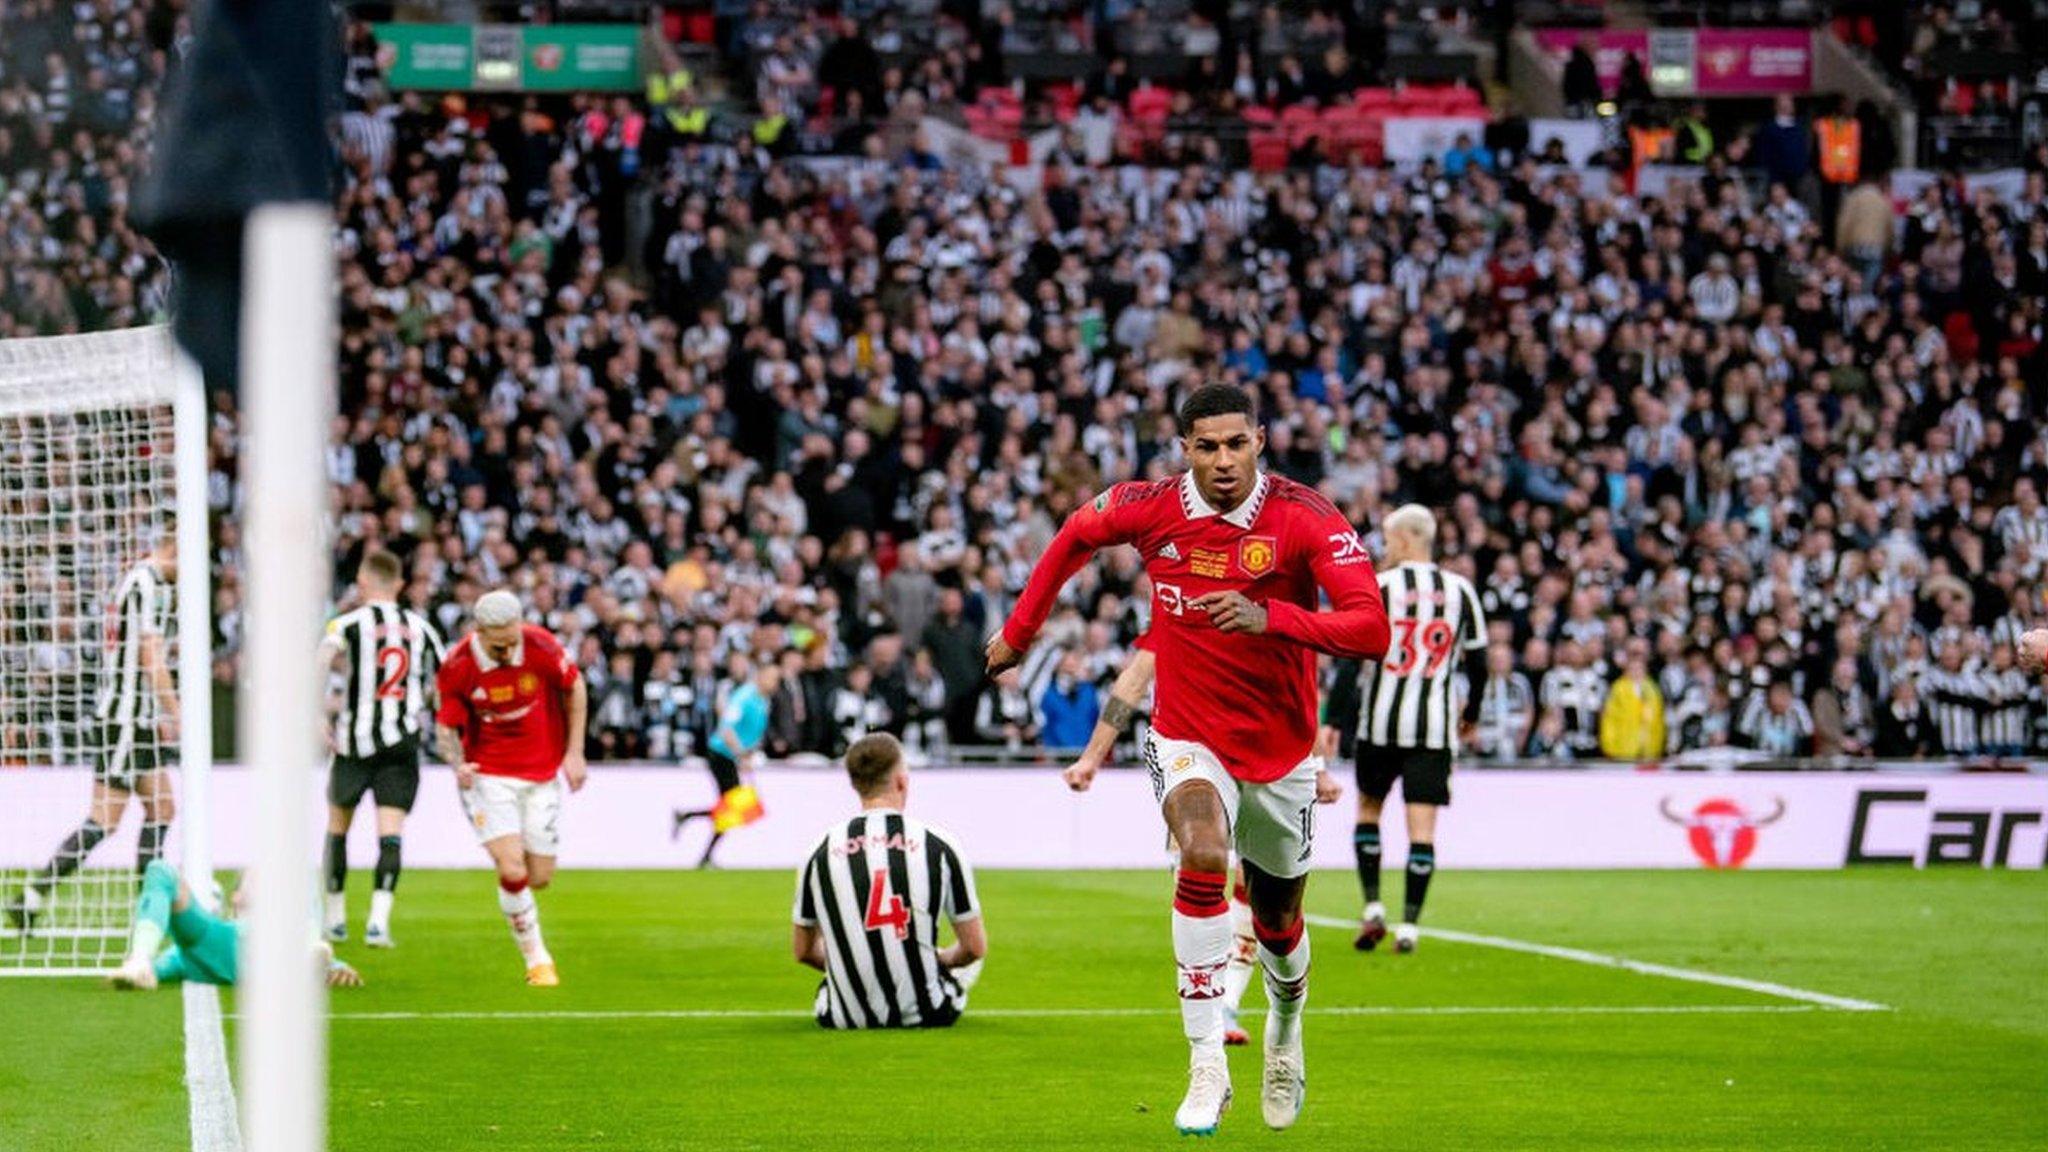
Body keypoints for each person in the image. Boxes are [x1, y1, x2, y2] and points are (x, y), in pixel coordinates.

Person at [987, 383, 1390, 1135]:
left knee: (1278, 920)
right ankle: (1206, 1061)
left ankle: (1285, 1027)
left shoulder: (1306, 519)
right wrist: (1021, 630)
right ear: (1185, 450)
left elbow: (1371, 628)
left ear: (1260, 441)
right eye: (1206, 446)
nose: (1223, 460)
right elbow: (1075, 533)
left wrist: (1274, 616)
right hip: (1187, 734)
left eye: (1236, 443)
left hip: (1281, 751)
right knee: (1202, 853)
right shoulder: (1154, 508)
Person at [1063, 642, 1344, 1047]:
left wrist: (1316, 767)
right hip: (1192, 764)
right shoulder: (1179, 606)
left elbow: (1294, 690)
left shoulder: (1256, 610)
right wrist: (1092, 756)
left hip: (1259, 763)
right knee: (1199, 868)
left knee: (1255, 887)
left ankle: (1229, 999)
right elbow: (1133, 682)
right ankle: (1209, 1011)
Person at [1326, 504, 1485, 955]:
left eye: (1390, 539)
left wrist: (1334, 720)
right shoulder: (1460, 591)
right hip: (1433, 729)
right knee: (1422, 828)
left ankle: (1373, 904)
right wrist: (1470, 712)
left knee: (1369, 810)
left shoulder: (1379, 587)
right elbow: (1480, 663)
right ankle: (1410, 925)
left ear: (1404, 539)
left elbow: (1350, 660)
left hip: (1379, 723)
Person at [10, 538, 179, 928]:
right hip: (124, 720)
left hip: (136, 720)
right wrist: (176, 712)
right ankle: (32, 896)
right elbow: (149, 658)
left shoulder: (144, 582)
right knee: (105, 820)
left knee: (162, 808)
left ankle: (147, 915)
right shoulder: (146, 584)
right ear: (174, 547)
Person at [434, 590, 589, 986]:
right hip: (489, 774)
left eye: (511, 640)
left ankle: (523, 910)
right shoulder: (457, 665)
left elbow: (576, 688)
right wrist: (457, 763)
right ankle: (538, 960)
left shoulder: (541, 646)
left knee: (539, 877)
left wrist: (575, 752)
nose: (506, 650)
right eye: (497, 643)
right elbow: (445, 724)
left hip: (541, 774)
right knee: (512, 867)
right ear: (479, 632)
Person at [792, 733, 986, 1028]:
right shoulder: (940, 845)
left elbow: (803, 951)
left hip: (844, 1018)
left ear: (855, 784)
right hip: (927, 1012)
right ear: (901, 781)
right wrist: (941, 959)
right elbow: (973, 948)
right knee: (957, 964)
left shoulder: (819, 850)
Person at [319, 549, 445, 948]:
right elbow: (444, 684)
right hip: (401, 744)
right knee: (390, 833)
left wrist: (317, 716)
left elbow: (318, 663)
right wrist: (430, 709)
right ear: (400, 584)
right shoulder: (422, 628)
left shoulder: (347, 623)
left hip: (354, 742)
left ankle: (336, 919)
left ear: (362, 581)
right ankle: (377, 923)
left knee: (338, 828)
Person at [108, 860, 363, 991]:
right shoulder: (218, 933)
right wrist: (147, 970)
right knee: (159, 869)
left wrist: (333, 965)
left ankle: (307, 952)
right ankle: (137, 959)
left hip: (284, 957)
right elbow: (167, 964)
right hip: (230, 944)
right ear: (237, 897)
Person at [672, 660, 776, 868]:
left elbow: (752, 733)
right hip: (721, 754)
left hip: (732, 756)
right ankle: (700, 843)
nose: (775, 683)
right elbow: (726, 728)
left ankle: (691, 824)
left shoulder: (763, 700)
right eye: (772, 678)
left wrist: (747, 755)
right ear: (760, 676)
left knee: (729, 808)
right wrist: (740, 755)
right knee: (733, 808)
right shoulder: (744, 697)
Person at [1599, 639, 1667, 763]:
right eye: (1633, 668)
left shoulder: (1653, 690)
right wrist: (1609, 746)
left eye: (1639, 669)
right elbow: (1609, 719)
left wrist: (1658, 746)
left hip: (1649, 750)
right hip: (1622, 750)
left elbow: (1659, 721)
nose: (1636, 672)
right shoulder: (1618, 689)